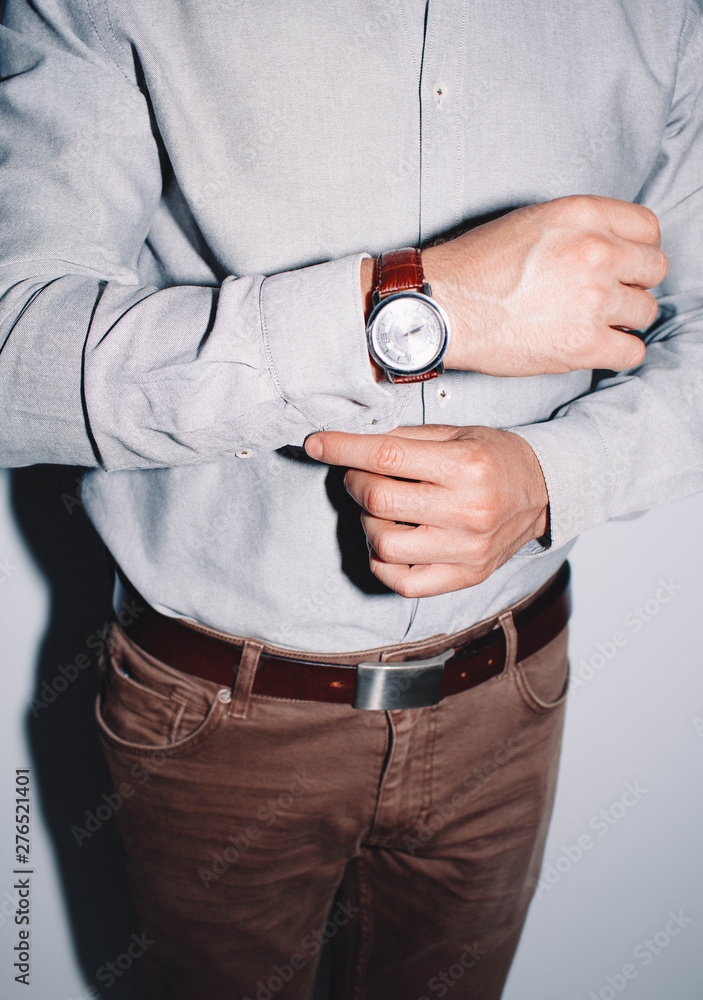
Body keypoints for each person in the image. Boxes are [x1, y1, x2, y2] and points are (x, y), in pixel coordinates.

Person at [1, 1, 701, 998]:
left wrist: (555, 476)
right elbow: (13, 355)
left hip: (512, 696)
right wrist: (422, 308)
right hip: (209, 722)